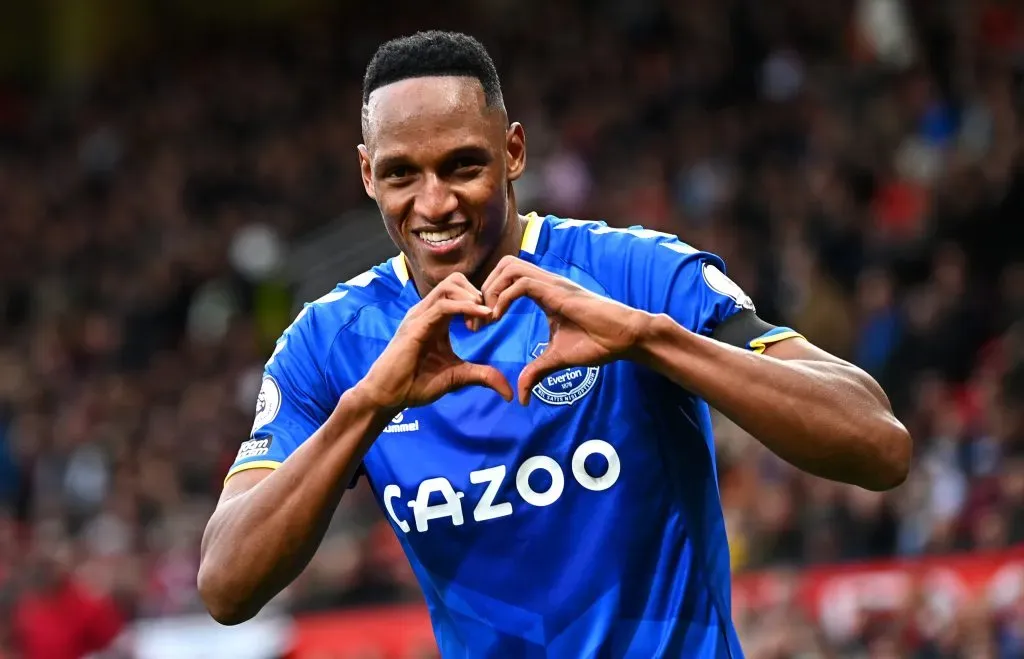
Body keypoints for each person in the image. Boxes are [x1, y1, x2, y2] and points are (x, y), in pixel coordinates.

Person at [197, 31, 912, 657]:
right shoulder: (331, 342)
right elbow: (226, 583)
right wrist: (367, 407)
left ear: (513, 151)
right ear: (366, 174)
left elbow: (878, 443)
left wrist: (647, 338)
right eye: (401, 174)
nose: (435, 202)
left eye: (463, 165)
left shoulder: (632, 274)